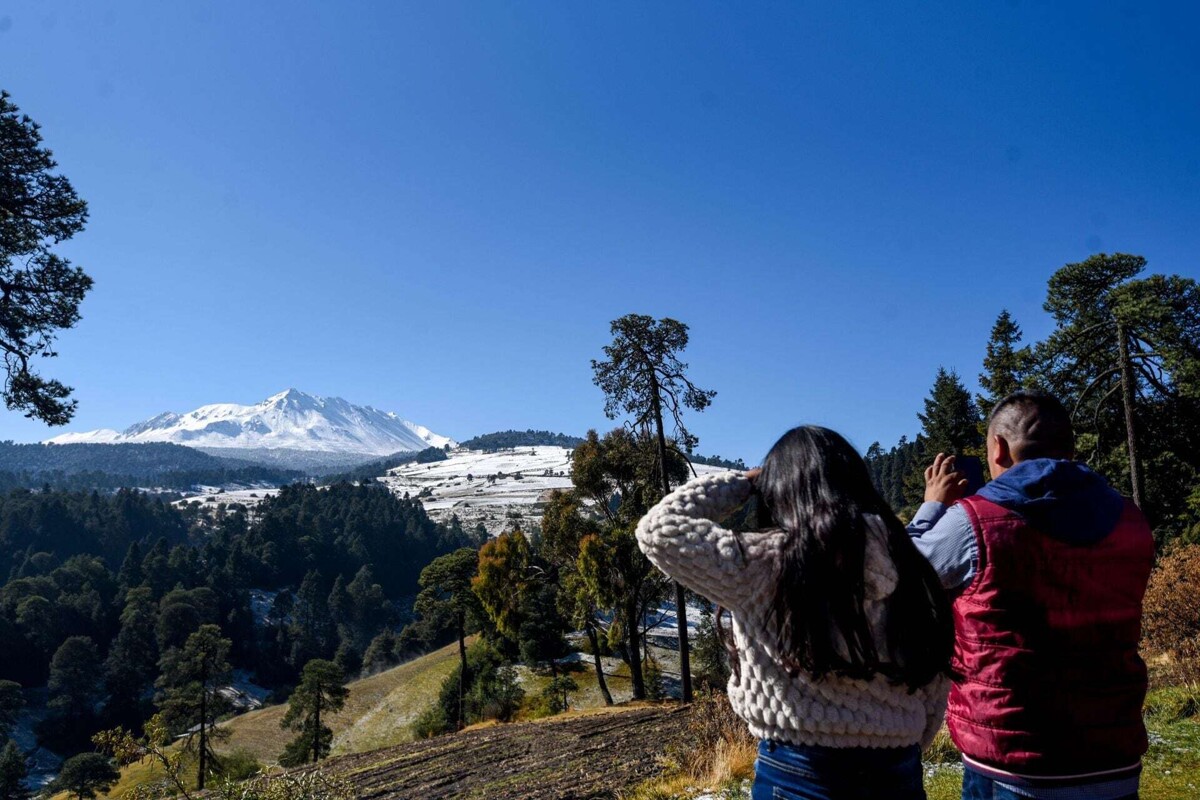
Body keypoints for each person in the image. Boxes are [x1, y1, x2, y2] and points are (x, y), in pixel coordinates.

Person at [636, 425, 954, 800]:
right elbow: (934, 678)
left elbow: (658, 531)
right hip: (897, 767)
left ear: (777, 490)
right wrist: (903, 738)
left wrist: (745, 482)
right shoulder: (910, 564)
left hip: (799, 767)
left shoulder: (763, 562)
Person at [908, 391, 1154, 800]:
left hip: (1013, 763)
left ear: (999, 448)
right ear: (1070, 448)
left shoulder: (971, 523)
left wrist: (931, 507)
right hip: (1115, 754)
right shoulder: (1131, 520)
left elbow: (898, 576)